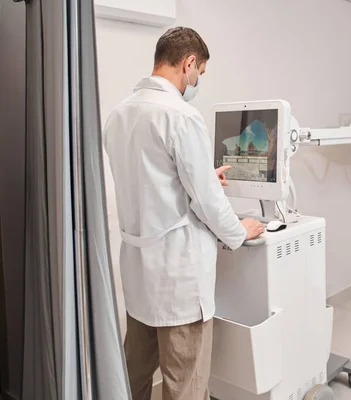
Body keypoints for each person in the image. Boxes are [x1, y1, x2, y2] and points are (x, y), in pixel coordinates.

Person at [102, 27, 264, 400]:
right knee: (185, 384)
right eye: (200, 73)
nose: (196, 82)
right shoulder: (181, 116)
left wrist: (204, 176)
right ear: (189, 62)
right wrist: (240, 230)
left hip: (139, 275)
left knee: (135, 375)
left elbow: (153, 179)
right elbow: (207, 202)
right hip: (178, 277)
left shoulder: (119, 114)